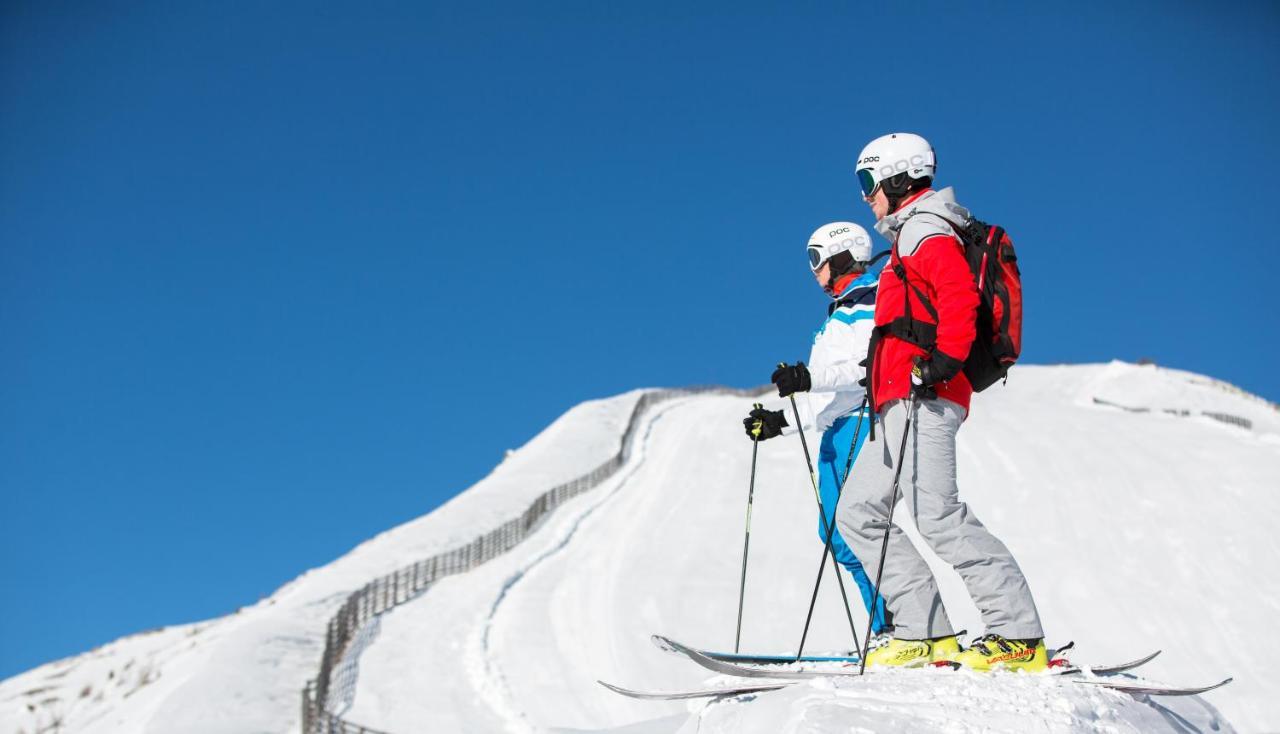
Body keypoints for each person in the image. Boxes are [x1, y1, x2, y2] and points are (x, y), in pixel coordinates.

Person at [835, 132, 1047, 671]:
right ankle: (925, 633)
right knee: (859, 512)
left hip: (926, 395)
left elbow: (958, 297)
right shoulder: (910, 234)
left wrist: (943, 361)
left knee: (938, 515)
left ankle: (1017, 634)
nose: (864, 196)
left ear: (898, 177)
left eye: (867, 182)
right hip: (896, 402)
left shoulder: (926, 229)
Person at [742, 222, 890, 637]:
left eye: (816, 259)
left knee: (857, 528)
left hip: (862, 425)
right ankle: (887, 629)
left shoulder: (870, 302)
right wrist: (778, 422)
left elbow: (865, 368)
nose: (813, 271)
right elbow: (827, 397)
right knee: (837, 533)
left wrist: (810, 377)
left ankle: (900, 628)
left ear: (841, 255)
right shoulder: (840, 312)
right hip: (837, 429)